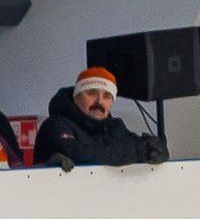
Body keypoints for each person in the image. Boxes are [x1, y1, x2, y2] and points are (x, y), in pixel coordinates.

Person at [33, 67, 167, 168]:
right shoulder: (55, 125)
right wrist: (138, 150)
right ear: (76, 97)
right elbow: (82, 156)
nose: (99, 102)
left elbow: (144, 148)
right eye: (91, 93)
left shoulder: (115, 127)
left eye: (107, 96)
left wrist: (158, 150)